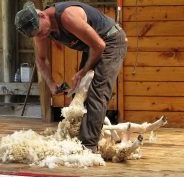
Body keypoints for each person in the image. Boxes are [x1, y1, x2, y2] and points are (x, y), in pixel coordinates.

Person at [15, 1, 127, 153]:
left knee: (97, 92)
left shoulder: (67, 16)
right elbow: (41, 59)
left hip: (111, 40)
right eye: (36, 35)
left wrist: (82, 72)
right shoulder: (39, 27)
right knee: (81, 92)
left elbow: (99, 45)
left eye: (40, 32)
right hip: (94, 46)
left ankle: (87, 148)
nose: (41, 36)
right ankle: (85, 136)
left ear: (41, 15)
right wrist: (51, 84)